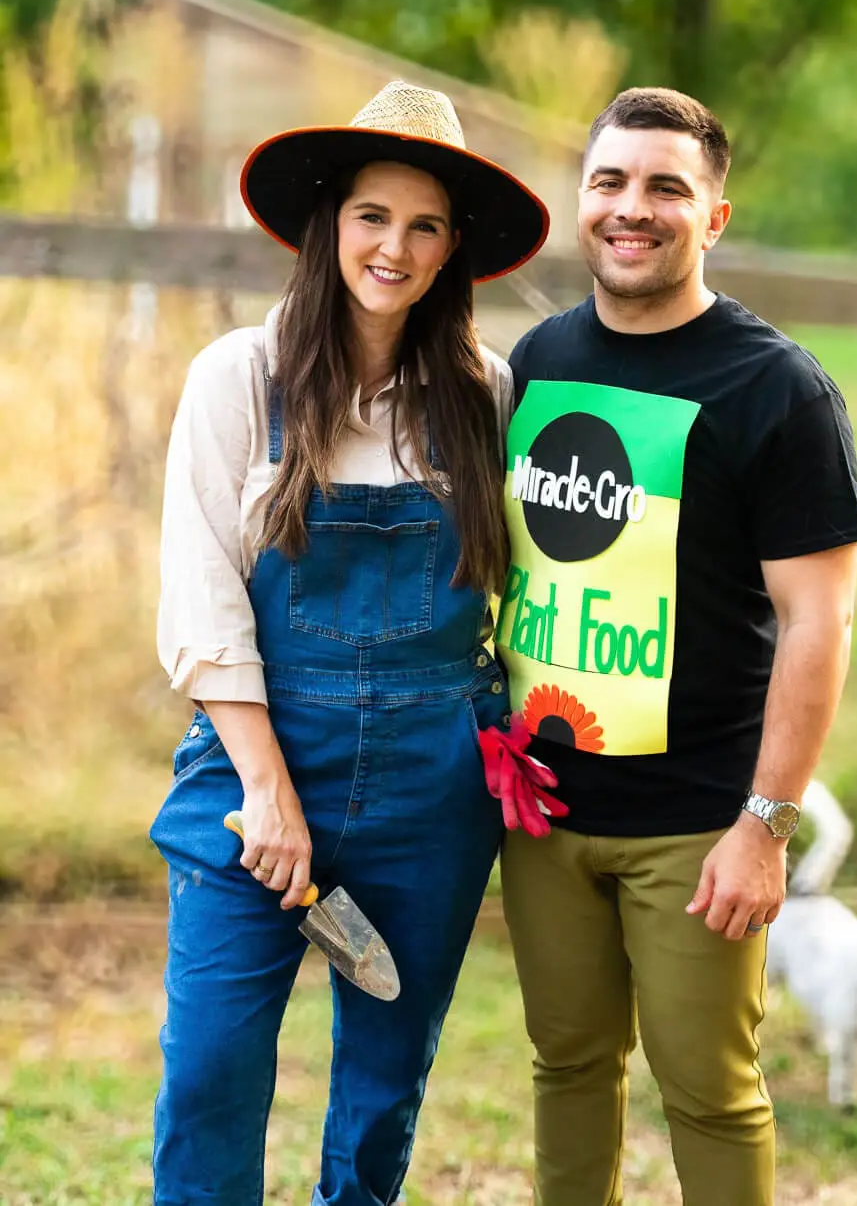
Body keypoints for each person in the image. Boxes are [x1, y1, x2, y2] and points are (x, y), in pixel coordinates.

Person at [150, 79, 549, 1206]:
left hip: (435, 780)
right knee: (212, 1070)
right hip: (258, 765)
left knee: (383, 1090)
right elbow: (201, 600)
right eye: (375, 216)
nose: (396, 247)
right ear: (330, 221)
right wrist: (269, 791)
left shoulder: (484, 393)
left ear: (454, 249)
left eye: (425, 226)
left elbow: (520, 590)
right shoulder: (241, 375)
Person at [495, 87, 857, 1206]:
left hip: (700, 823)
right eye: (609, 182)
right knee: (566, 1069)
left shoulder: (777, 390)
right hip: (546, 809)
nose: (631, 208)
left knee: (708, 1090)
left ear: (713, 217)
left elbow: (819, 621)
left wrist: (766, 825)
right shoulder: (537, 360)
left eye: (666, 187)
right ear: (582, 201)